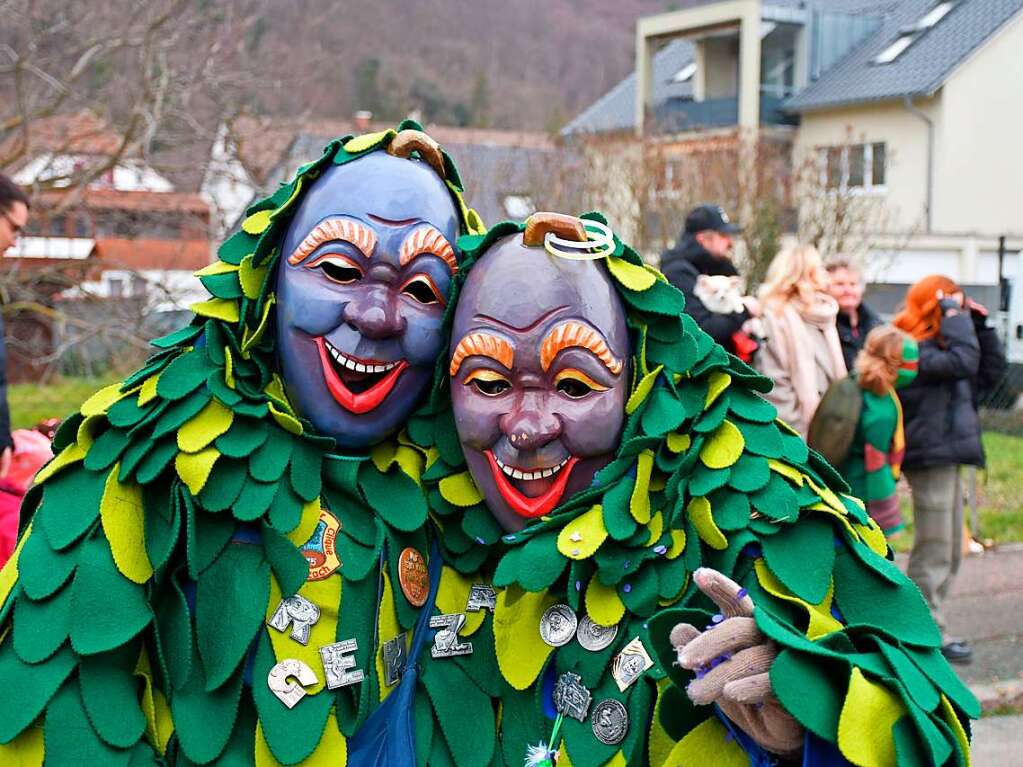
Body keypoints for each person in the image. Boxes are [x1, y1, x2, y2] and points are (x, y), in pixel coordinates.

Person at [895, 275, 983, 664]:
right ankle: (920, 629)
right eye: (949, 305)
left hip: (949, 452)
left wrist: (979, 325)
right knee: (933, 547)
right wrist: (958, 322)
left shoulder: (951, 342)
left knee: (951, 550)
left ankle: (931, 624)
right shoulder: (910, 346)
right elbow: (964, 361)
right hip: (928, 453)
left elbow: (988, 369)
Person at [835, 325, 919, 537]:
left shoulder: (855, 382)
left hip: (843, 476)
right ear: (894, 364)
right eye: (912, 363)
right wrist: (887, 517)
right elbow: (876, 461)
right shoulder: (880, 406)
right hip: (862, 490)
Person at [755, 244, 847, 437]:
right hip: (793, 431)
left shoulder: (823, 316)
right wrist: (796, 430)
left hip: (828, 429)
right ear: (805, 274)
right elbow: (774, 381)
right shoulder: (776, 316)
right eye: (820, 267)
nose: (826, 274)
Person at [659, 204, 755, 355]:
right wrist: (744, 311)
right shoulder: (678, 273)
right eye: (723, 236)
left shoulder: (714, 268)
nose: (730, 243)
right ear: (703, 239)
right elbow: (702, 328)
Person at [825, 259, 882, 371]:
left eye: (853, 284)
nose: (848, 290)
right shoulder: (824, 326)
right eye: (839, 284)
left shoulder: (876, 325)